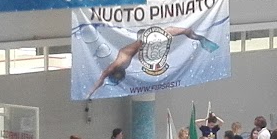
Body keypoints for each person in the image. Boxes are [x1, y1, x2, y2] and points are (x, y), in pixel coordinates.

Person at [86, 26, 219, 99]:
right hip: (143, 45)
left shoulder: (117, 64)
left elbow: (102, 78)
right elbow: (101, 79)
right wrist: (90, 93)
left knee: (181, 31)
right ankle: (194, 35)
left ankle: (197, 36)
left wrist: (90, 93)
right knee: (179, 31)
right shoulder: (119, 65)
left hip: (143, 44)